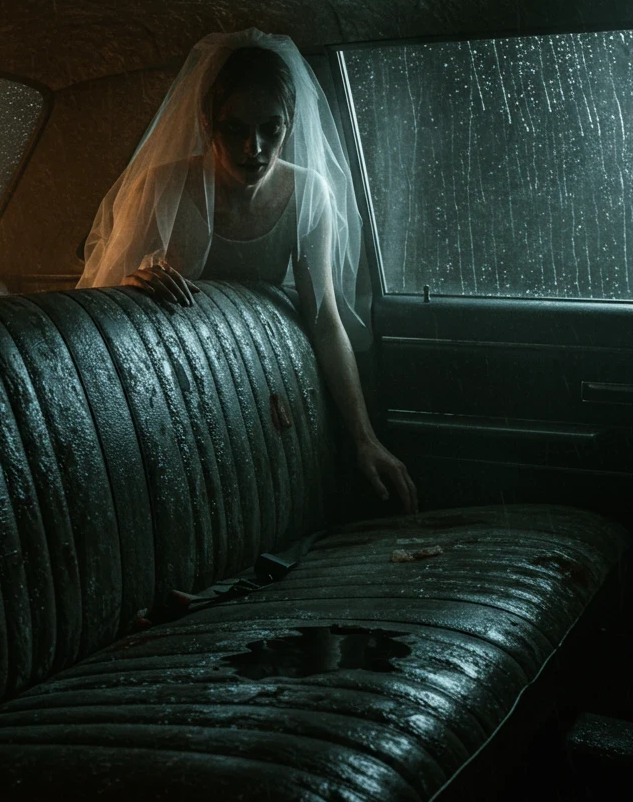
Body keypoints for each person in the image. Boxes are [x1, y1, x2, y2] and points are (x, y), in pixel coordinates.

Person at [78, 28, 418, 513]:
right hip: (166, 393)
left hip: (255, 390)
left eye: (270, 129)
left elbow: (324, 319)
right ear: (206, 123)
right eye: (234, 129)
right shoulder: (165, 185)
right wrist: (129, 291)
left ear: (290, 123)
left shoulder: (308, 192)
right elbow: (97, 309)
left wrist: (365, 438)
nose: (252, 147)